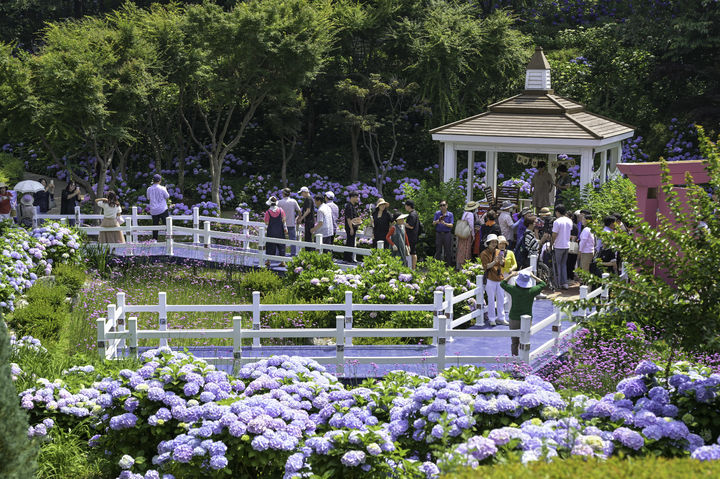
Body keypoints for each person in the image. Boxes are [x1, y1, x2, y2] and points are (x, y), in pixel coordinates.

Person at [501, 271, 546, 356]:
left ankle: (515, 361)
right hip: (528, 319)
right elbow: (543, 284)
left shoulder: (514, 290)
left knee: (514, 342)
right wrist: (533, 276)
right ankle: (523, 360)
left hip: (514, 318)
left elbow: (502, 283)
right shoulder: (532, 291)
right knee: (524, 341)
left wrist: (510, 275)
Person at [480, 234, 508, 326]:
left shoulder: (499, 251)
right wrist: (494, 262)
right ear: (488, 243)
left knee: (500, 299)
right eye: (492, 242)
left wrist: (501, 261)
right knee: (491, 299)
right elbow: (486, 267)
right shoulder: (484, 253)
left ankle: (501, 318)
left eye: (495, 242)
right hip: (490, 278)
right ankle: (492, 319)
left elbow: (503, 263)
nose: (494, 244)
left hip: (499, 277)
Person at [551, 203, 573, 290]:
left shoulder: (557, 221)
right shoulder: (569, 221)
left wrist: (552, 243)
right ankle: (565, 283)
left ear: (557, 212)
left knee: (557, 265)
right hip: (566, 245)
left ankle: (558, 283)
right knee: (563, 264)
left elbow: (554, 234)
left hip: (558, 245)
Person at [498, 235, 517, 322]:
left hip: (509, 275)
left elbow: (515, 264)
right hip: (500, 275)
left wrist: (511, 269)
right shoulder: (496, 253)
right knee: (500, 296)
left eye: (503, 244)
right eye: (500, 244)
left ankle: (511, 314)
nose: (502, 245)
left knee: (511, 295)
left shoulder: (510, 253)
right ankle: (501, 317)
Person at [264, 196, 287, 266]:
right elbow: (284, 220)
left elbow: (266, 222)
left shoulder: (268, 212)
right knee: (281, 246)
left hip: (271, 231)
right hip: (280, 230)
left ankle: (268, 261)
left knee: (270, 245)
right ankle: (283, 262)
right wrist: (285, 228)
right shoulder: (281, 210)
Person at [147, 174, 170, 241]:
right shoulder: (162, 188)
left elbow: (148, 198)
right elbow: (167, 196)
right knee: (167, 225)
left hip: (153, 210)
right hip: (162, 209)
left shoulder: (149, 189)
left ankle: (154, 240)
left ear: (153, 181)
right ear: (160, 181)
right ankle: (168, 239)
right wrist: (165, 189)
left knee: (155, 226)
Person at [278, 188, 301, 256]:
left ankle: (281, 253)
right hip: (291, 223)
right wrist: (299, 217)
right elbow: (299, 211)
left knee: (281, 239)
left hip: (282, 223)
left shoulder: (280, 202)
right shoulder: (293, 201)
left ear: (283, 194)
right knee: (292, 239)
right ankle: (293, 254)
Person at [456, 201, 477, 269]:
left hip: (462, 233)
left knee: (461, 249)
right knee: (466, 250)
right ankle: (465, 266)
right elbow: (471, 225)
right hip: (467, 234)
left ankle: (460, 266)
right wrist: (473, 235)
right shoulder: (470, 214)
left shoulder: (464, 213)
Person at [433, 200, 454, 265]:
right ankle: (437, 266)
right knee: (438, 250)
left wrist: (445, 223)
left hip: (447, 234)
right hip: (439, 234)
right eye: (441, 205)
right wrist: (437, 221)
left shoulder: (450, 214)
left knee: (447, 250)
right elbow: (433, 223)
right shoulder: (437, 213)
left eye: (443, 205)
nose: (442, 207)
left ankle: (448, 266)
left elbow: (451, 225)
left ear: (447, 206)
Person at [343, 192, 361, 262]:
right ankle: (348, 258)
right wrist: (351, 228)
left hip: (353, 227)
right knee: (350, 242)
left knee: (351, 242)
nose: (357, 199)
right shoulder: (349, 206)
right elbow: (348, 218)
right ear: (352, 197)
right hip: (350, 227)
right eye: (356, 197)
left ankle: (348, 258)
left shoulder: (352, 206)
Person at [404, 200, 420, 270]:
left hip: (411, 236)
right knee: (412, 252)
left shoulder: (412, 214)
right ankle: (412, 268)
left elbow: (411, 226)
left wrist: (403, 223)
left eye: (406, 205)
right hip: (413, 236)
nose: (405, 207)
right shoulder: (415, 213)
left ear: (408, 206)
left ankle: (413, 268)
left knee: (412, 252)